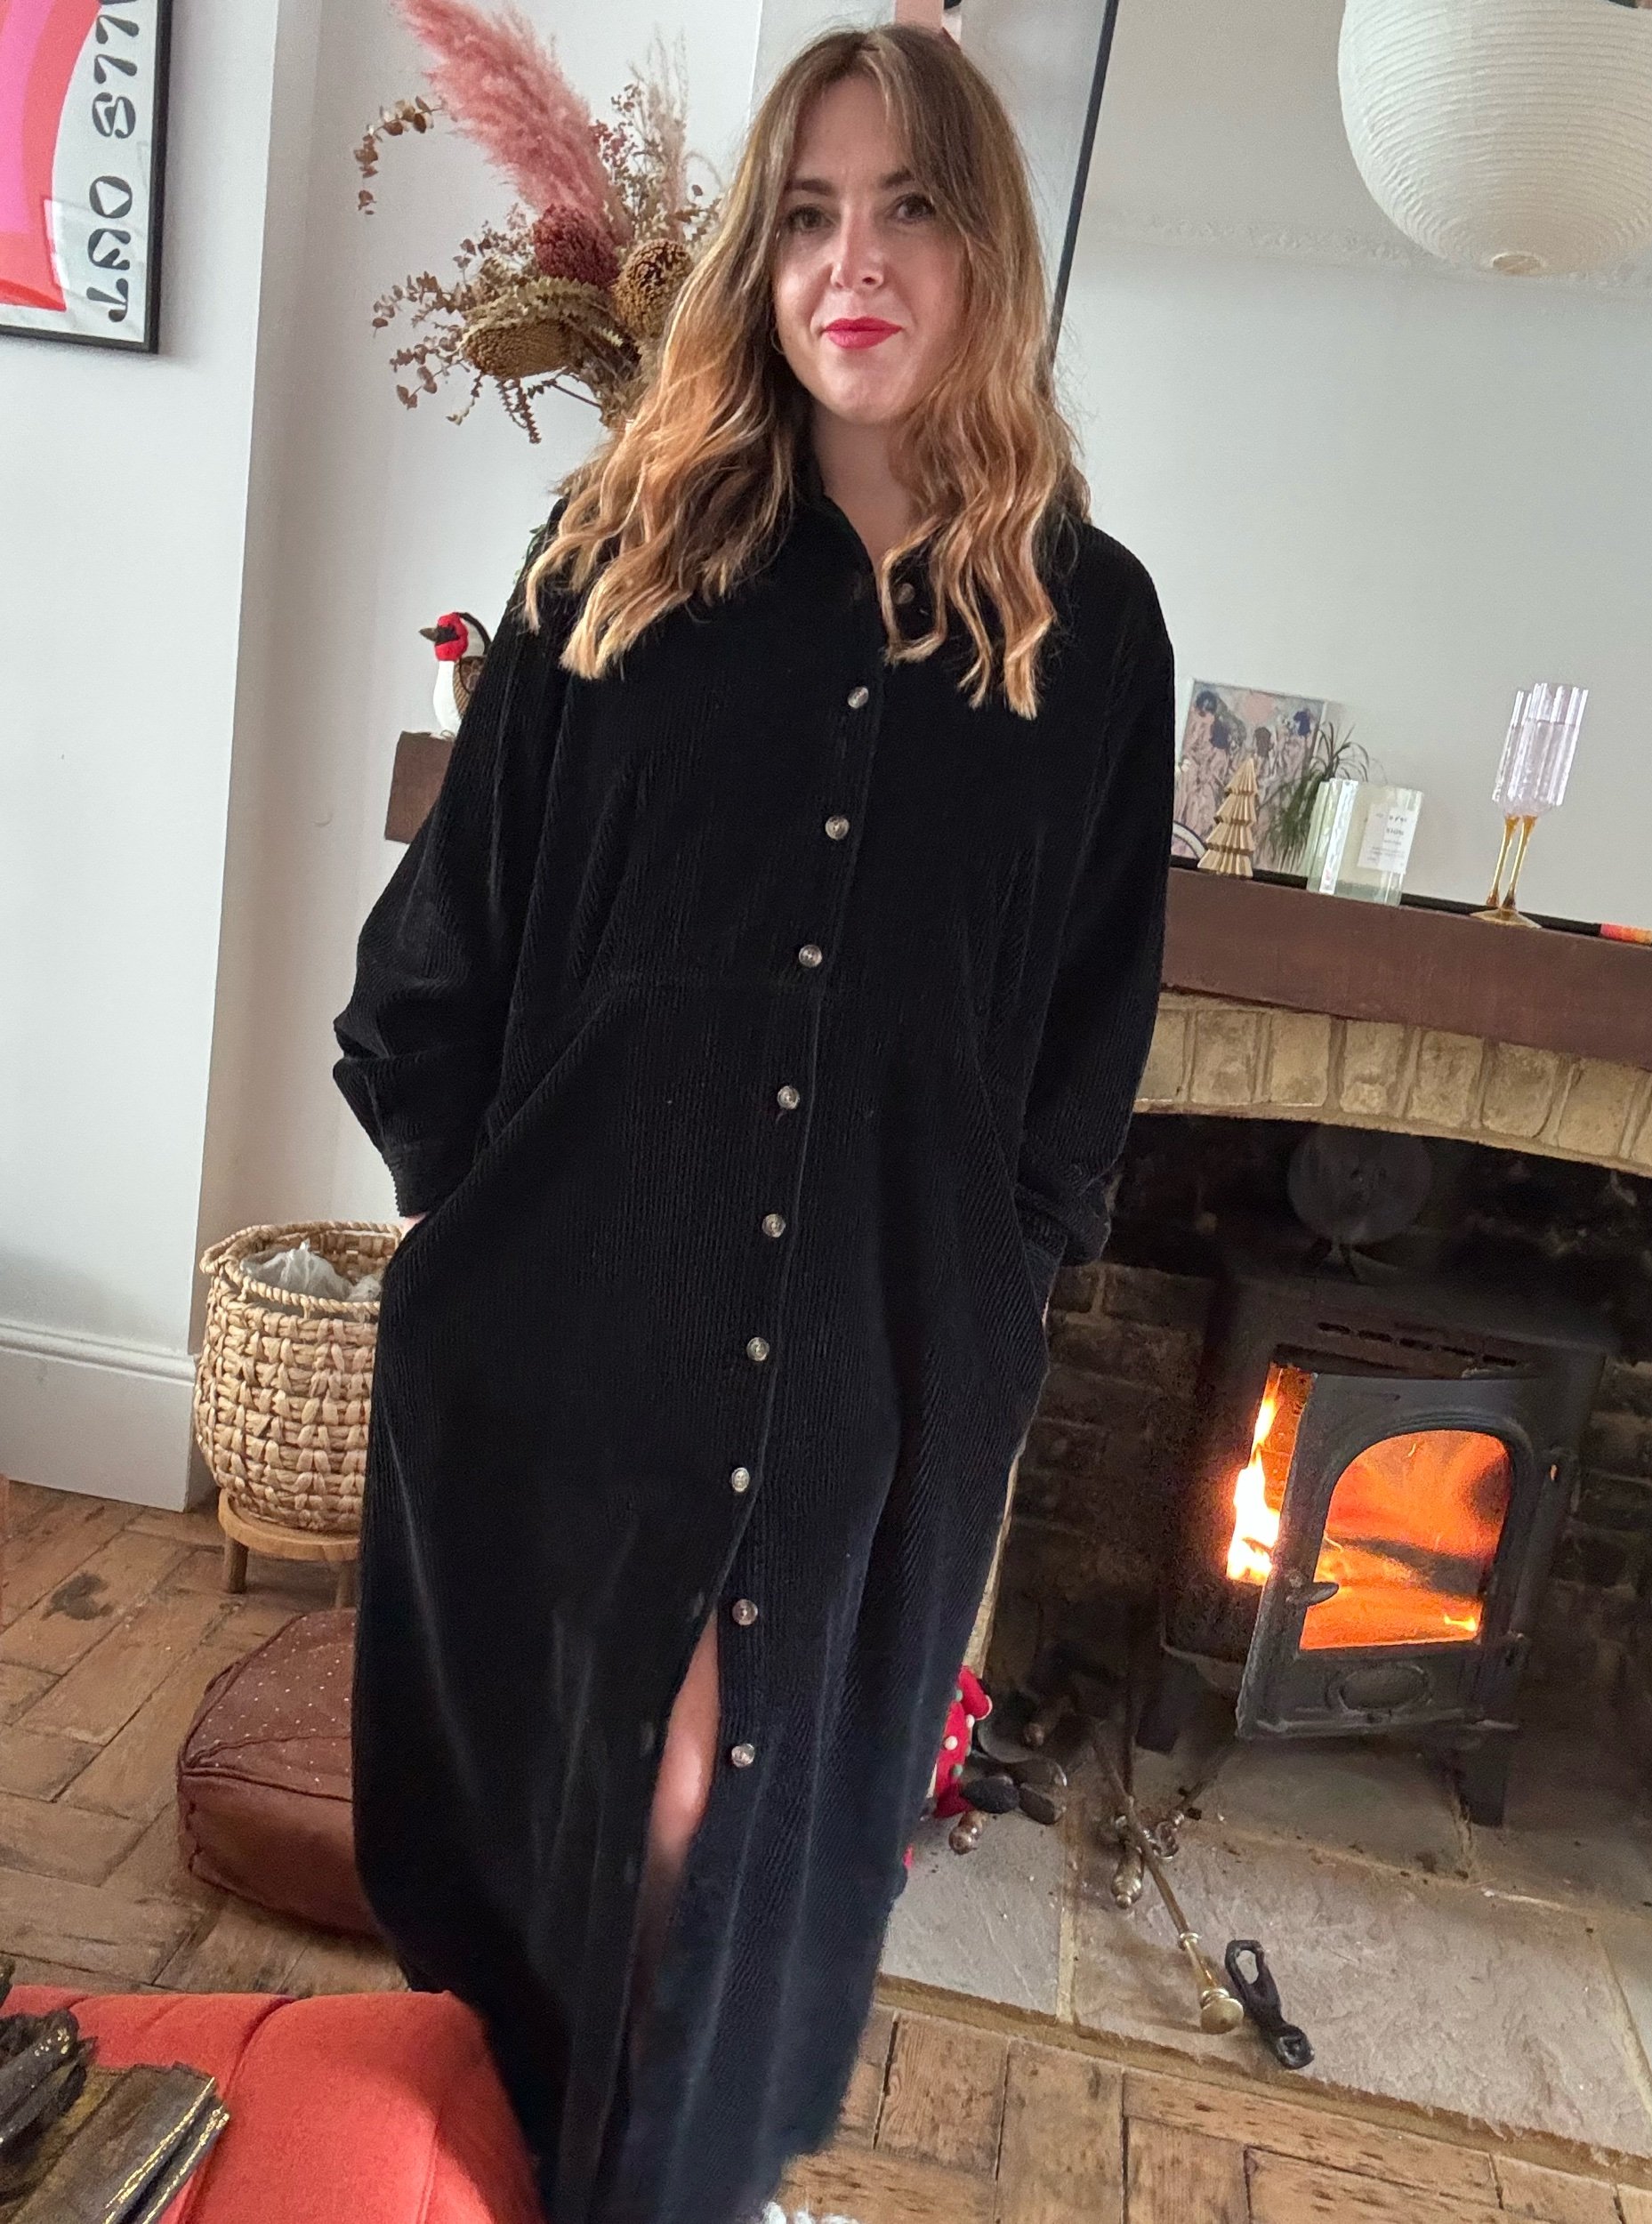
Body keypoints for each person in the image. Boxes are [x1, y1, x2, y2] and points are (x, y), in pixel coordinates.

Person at [332, 23, 1173, 2224]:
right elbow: (440, 960)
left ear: (985, 249)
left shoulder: (1085, 631)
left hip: (870, 1358)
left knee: (758, 1826)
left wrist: (985, 1302)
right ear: (750, 258)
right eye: (803, 216)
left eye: (905, 209)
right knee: (625, 1803)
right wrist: (493, 1245)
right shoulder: (616, 554)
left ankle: (646, 2178)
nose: (849, 263)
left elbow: (1081, 1046)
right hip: (586, 1323)